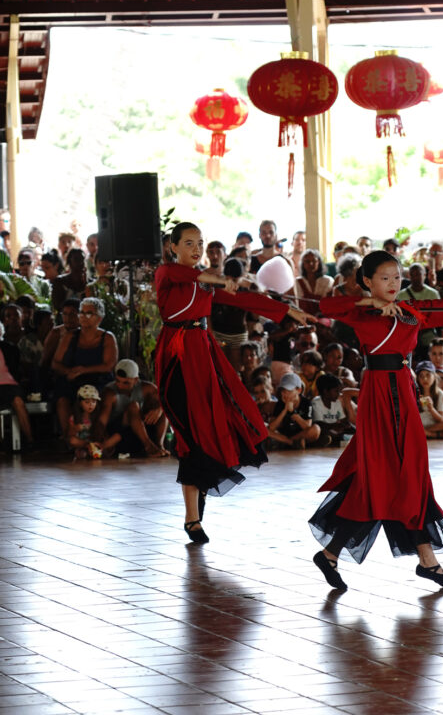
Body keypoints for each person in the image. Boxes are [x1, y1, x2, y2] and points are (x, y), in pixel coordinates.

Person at [309, 251, 443, 593]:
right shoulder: (360, 312)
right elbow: (326, 307)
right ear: (366, 280)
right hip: (378, 397)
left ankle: (344, 554)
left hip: (404, 395)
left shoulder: (411, 312)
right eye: (384, 278)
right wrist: (372, 303)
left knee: (407, 475)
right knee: (382, 478)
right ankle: (425, 561)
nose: (394, 284)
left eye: (397, 277)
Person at [154, 221, 312, 544]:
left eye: (200, 243)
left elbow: (244, 300)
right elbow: (188, 275)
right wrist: (220, 279)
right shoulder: (167, 273)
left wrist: (287, 311)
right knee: (188, 431)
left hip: (203, 351)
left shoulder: (208, 283)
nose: (197, 249)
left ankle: (195, 510)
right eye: (189, 243)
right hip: (176, 356)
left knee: (213, 424)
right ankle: (191, 517)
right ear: (173, 247)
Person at [52, 297, 118, 440]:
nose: (83, 316)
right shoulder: (70, 336)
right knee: (62, 399)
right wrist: (69, 372)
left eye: (89, 313)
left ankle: (97, 437)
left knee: (102, 397)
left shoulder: (107, 337)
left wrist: (84, 370)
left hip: (98, 379)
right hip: (74, 379)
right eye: (81, 313)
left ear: (99, 318)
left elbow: (109, 365)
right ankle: (69, 438)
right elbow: (56, 363)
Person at [96, 359, 169, 458]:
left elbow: (167, 402)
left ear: (135, 380)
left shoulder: (147, 388)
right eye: (117, 381)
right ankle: (149, 447)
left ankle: (159, 446)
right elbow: (101, 422)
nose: (120, 385)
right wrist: (102, 443)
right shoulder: (110, 393)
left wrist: (159, 409)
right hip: (119, 436)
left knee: (161, 408)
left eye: (125, 383)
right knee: (133, 406)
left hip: (140, 433)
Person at [268, 372, 320, 448]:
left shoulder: (306, 402)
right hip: (283, 434)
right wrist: (285, 410)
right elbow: (272, 428)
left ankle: (287, 443)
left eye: (289, 391)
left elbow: (307, 426)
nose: (285, 394)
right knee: (264, 429)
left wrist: (292, 412)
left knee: (316, 429)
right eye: (283, 391)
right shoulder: (280, 403)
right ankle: (291, 443)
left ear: (299, 390)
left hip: (299, 434)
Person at [415, 360, 443, 439]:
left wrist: (431, 408)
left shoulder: (440, 394)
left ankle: (425, 433)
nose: (425, 379)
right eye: (421, 376)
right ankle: (436, 435)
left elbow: (441, 419)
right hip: (417, 425)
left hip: (434, 426)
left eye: (428, 375)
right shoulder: (414, 393)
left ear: (434, 376)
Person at [311, 373, 356, 446]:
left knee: (355, 431)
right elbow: (319, 424)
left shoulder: (337, 402)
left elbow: (343, 419)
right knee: (323, 433)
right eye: (336, 391)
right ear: (326, 391)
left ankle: (336, 441)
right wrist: (335, 425)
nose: (339, 394)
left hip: (336, 431)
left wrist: (345, 424)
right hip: (325, 431)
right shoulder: (316, 402)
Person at [68, 384, 105, 460]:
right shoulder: (74, 418)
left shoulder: (98, 416)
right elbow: (70, 436)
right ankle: (87, 448)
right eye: (87, 402)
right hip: (82, 443)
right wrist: (75, 429)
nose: (91, 405)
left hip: (95, 441)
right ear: (80, 403)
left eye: (94, 401)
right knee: (72, 440)